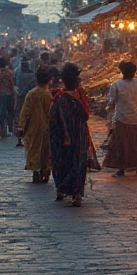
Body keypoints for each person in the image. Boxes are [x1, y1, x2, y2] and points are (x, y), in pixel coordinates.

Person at [49, 63, 93, 206]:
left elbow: (52, 119)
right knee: (78, 164)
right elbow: (86, 115)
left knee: (61, 162)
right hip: (79, 135)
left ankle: (61, 190)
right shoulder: (80, 98)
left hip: (61, 138)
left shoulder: (58, 98)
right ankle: (77, 194)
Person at [104, 61, 137, 177]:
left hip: (122, 117)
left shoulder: (116, 85)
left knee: (122, 143)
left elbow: (111, 101)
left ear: (122, 72)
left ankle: (121, 168)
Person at [18, 66, 53, 183]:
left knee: (33, 149)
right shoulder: (50, 95)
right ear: (49, 80)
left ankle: (36, 172)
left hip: (33, 128)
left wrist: (21, 126)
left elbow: (25, 112)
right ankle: (46, 170)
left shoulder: (31, 94)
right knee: (46, 150)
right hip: (47, 128)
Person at [0, 57, 17, 139]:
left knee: (1, 114)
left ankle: (3, 131)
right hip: (8, 94)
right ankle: (12, 129)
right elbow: (12, 84)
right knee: (11, 113)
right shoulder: (10, 73)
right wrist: (12, 94)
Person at [15, 59, 36, 147]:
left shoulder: (18, 74)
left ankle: (19, 139)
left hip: (21, 98)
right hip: (30, 99)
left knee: (20, 118)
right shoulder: (32, 75)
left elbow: (15, 84)